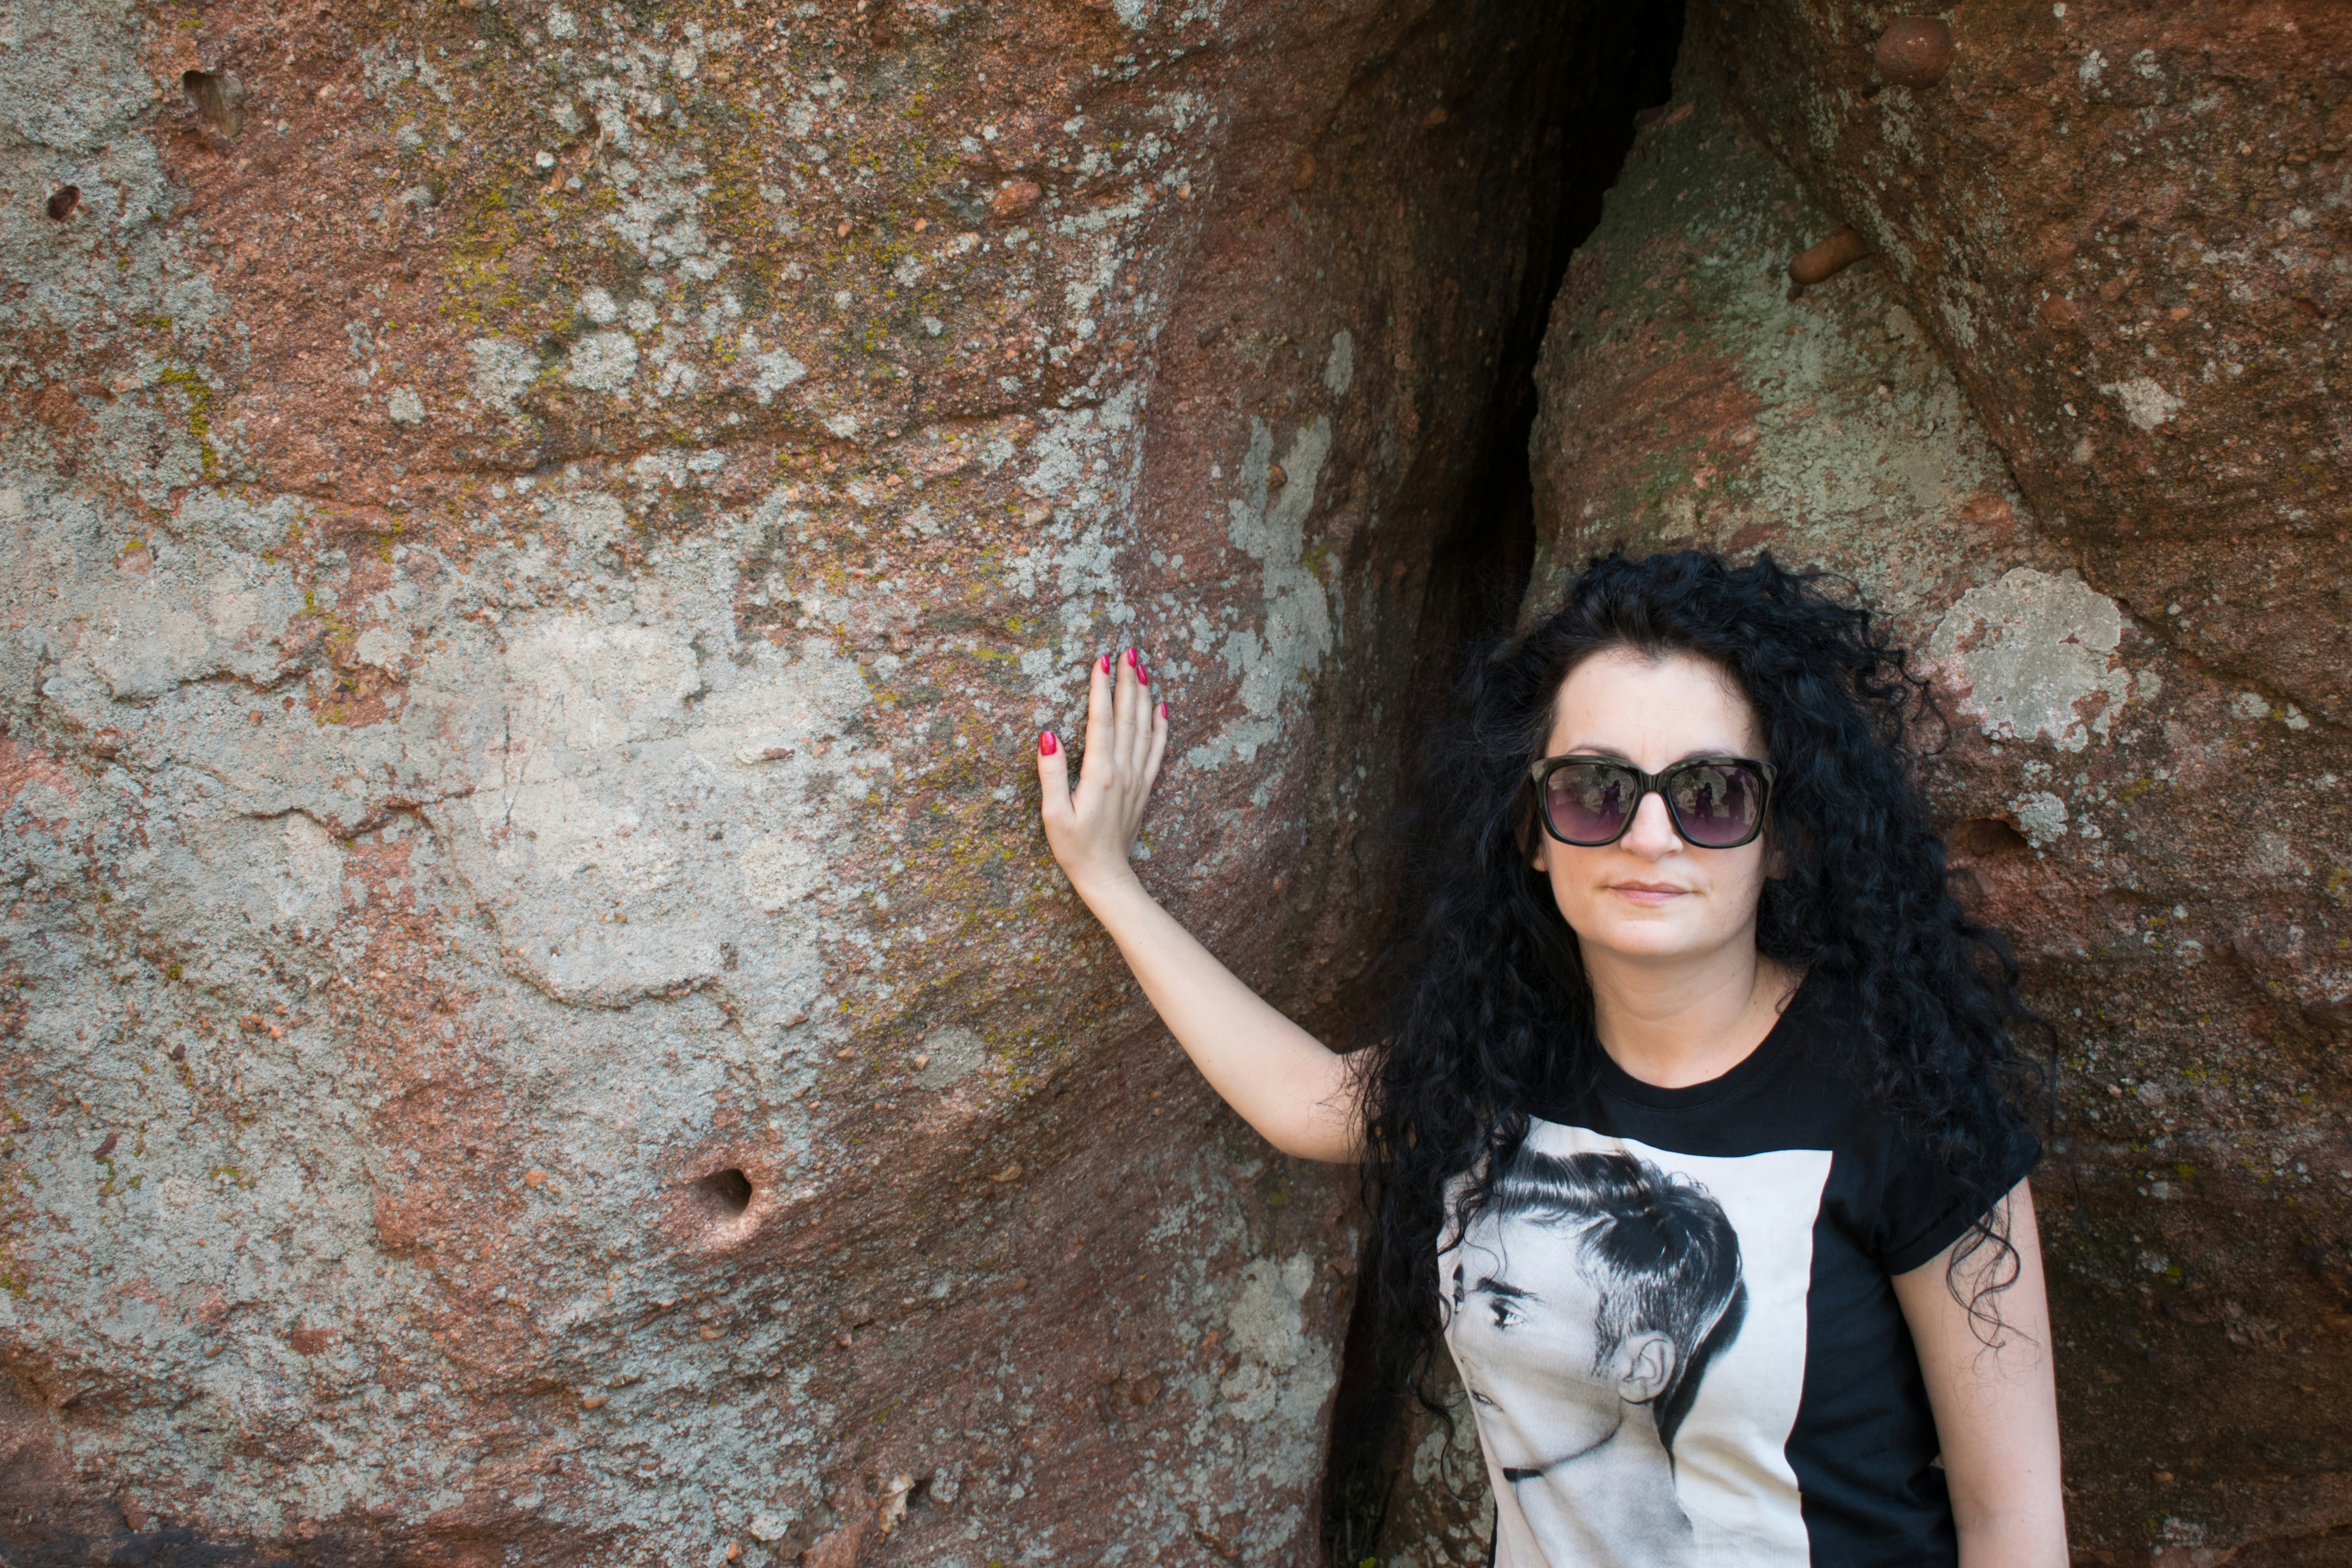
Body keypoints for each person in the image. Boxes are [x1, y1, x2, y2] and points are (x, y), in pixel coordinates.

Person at [1035, 551, 2066, 1568]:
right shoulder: (1499, 1061)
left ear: (1783, 835)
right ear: (1533, 831)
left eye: (1710, 793)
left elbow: (2010, 1524)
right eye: (1595, 790)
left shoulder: (1912, 1105)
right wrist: (1109, 879)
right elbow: (1306, 1101)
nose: (1651, 836)